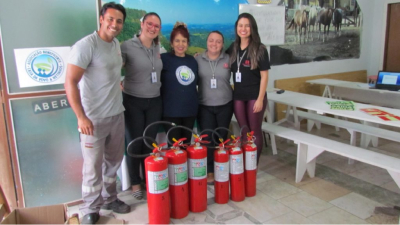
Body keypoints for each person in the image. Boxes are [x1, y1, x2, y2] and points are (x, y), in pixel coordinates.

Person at [64, 2, 130, 224]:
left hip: (116, 114)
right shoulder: (86, 46)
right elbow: (70, 82)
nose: (114, 24)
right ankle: (90, 208)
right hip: (93, 119)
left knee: (113, 162)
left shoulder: (115, 44)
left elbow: (109, 75)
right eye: (111, 19)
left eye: (119, 21)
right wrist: (81, 117)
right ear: (101, 19)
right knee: (92, 166)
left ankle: (110, 198)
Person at [120, 12, 163, 200]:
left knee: (149, 143)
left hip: (154, 100)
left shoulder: (157, 47)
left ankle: (147, 179)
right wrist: (119, 83)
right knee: (134, 143)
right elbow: (113, 68)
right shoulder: (127, 46)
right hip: (133, 100)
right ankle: (135, 182)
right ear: (142, 24)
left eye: (156, 26)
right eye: (149, 24)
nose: (152, 28)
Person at [226, 13, 270, 165]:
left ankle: (253, 165)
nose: (243, 29)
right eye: (240, 25)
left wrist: (260, 99)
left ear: (252, 28)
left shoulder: (260, 49)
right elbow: (218, 58)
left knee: (254, 130)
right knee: (244, 130)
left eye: (247, 25)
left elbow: (264, 76)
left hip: (254, 97)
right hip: (238, 96)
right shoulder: (233, 47)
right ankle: (246, 162)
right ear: (236, 28)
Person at [195, 31, 233, 184]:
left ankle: (221, 167)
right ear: (207, 42)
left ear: (222, 44)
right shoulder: (197, 59)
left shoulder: (229, 59)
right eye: (211, 40)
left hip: (225, 104)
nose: (214, 44)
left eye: (218, 41)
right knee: (207, 140)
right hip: (204, 106)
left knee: (222, 139)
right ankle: (210, 170)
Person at [161, 22, 199, 144]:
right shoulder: (163, 59)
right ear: (171, 43)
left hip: (189, 111)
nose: (180, 44)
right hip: (170, 111)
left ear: (188, 43)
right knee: (174, 148)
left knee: (187, 146)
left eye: (184, 41)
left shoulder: (193, 61)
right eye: (177, 41)